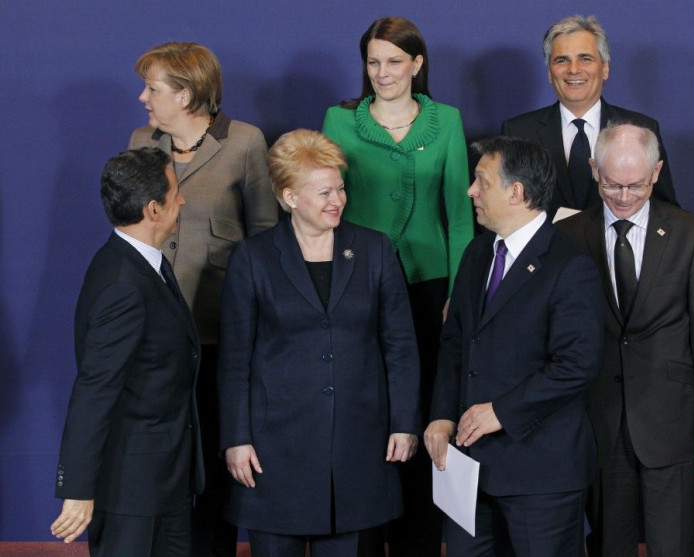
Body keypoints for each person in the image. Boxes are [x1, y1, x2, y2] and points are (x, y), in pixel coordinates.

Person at [217, 129, 421, 557]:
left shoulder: (375, 250)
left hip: (359, 447)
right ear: (289, 197)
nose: (337, 200)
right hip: (274, 453)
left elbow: (400, 346)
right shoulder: (253, 259)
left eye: (340, 188)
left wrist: (404, 422)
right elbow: (235, 360)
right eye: (323, 191)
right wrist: (236, 438)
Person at [322, 17, 474, 555]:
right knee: (367, 408)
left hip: (432, 288)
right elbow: (328, 211)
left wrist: (458, 291)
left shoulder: (448, 122)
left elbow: (460, 215)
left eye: (393, 61)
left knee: (426, 412)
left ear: (417, 63)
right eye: (372, 62)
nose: (382, 72)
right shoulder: (338, 122)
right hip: (358, 282)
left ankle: (419, 538)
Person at [129, 41, 278, 556]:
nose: (144, 98)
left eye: (153, 88)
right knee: (159, 458)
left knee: (217, 460)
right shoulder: (140, 142)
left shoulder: (245, 143)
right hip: (155, 335)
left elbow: (266, 240)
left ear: (187, 94)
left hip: (220, 334)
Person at [425, 136, 604, 556]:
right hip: (469, 470)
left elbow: (576, 364)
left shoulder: (569, 265)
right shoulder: (477, 252)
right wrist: (440, 416)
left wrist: (501, 412)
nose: (471, 191)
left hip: (540, 473)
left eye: (481, 182)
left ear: (516, 192)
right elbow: (454, 343)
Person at [556, 122, 694, 556]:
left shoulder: (693, 234)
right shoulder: (568, 236)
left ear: (657, 173)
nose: (624, 196)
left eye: (636, 185)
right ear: (594, 170)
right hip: (601, 426)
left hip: (674, 428)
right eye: (612, 184)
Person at [50, 147, 204, 556]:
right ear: (153, 209)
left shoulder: (144, 264)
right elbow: (94, 390)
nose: (182, 200)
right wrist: (79, 489)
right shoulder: (123, 283)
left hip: (162, 480)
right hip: (131, 493)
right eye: (175, 193)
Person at [501, 15, 677, 218]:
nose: (574, 69)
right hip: (547, 250)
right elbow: (504, 211)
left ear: (605, 68)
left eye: (585, 58)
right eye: (562, 60)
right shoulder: (518, 132)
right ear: (550, 73)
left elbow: (665, 210)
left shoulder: (642, 128)